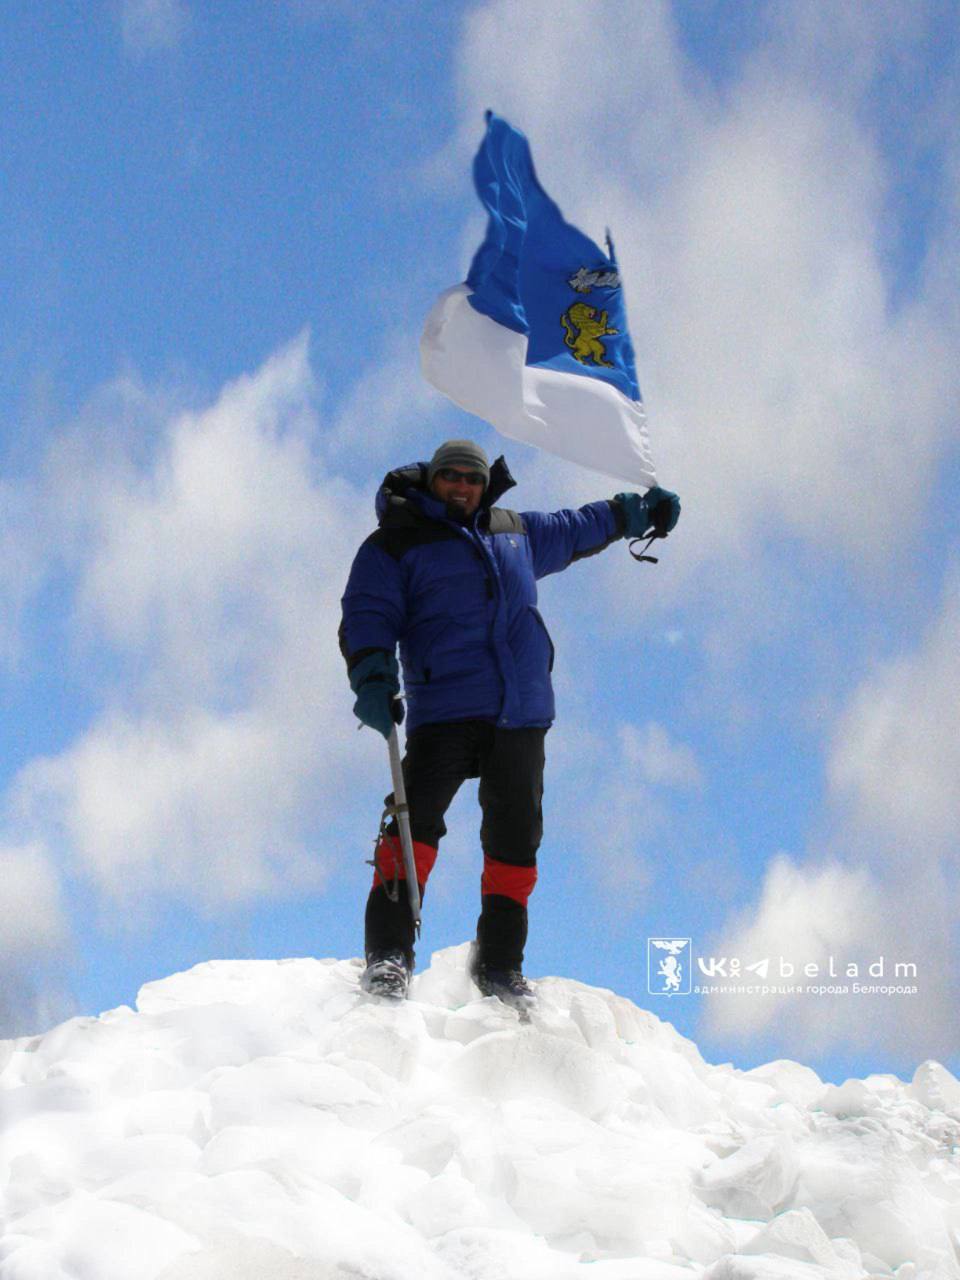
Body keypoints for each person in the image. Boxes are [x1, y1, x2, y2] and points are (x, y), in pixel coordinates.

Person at [339, 439, 680, 1005]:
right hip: (444, 708)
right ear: (432, 482)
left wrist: (635, 511)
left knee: (515, 845)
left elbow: (580, 526)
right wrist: (371, 675)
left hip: (521, 714)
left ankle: (499, 965)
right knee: (410, 827)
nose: (461, 487)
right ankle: (390, 957)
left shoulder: (514, 531)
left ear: (483, 485)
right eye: (449, 477)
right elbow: (368, 612)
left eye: (471, 479)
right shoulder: (396, 544)